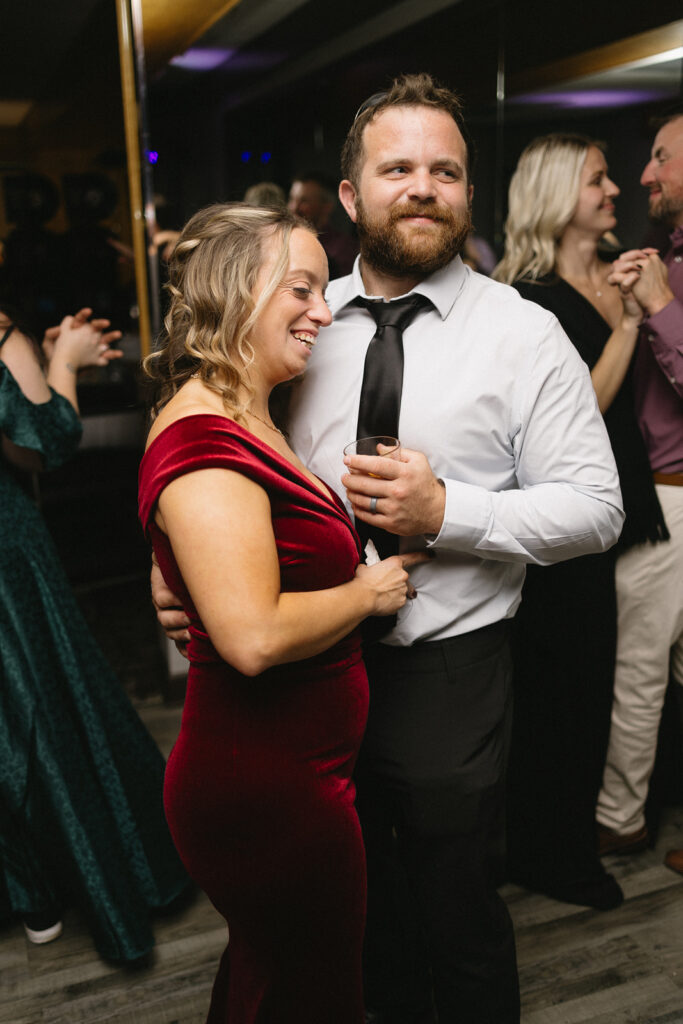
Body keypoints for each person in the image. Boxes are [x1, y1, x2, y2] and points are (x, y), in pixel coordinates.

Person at [154, 74, 624, 1024]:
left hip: (450, 669)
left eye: (444, 171)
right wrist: (190, 586)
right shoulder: (295, 320)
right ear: (350, 196)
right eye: (396, 167)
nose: (422, 187)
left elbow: (596, 510)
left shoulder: (525, 337)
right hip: (298, 679)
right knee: (352, 913)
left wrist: (448, 511)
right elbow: (220, 467)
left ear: (468, 193)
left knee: (457, 910)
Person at [139, 203, 426, 1023]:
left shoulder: (246, 413)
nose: (324, 311)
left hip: (294, 778)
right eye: (301, 288)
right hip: (263, 790)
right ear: (235, 291)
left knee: (277, 983)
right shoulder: (207, 437)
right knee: (310, 992)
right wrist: (369, 592)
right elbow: (255, 638)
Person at [494, 134, 668, 911]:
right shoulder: (528, 295)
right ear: (558, 193)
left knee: (615, 675)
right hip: (561, 512)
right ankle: (549, 850)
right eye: (596, 179)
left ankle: (588, 830)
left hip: (629, 503)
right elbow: (580, 413)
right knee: (559, 687)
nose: (612, 190)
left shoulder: (616, 270)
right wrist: (631, 324)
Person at [0, 306, 189, 960]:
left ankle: (30, 896)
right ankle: (71, 887)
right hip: (6, 562)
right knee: (42, 712)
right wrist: (63, 362)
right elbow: (42, 442)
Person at [595, 109, 683, 873]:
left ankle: (617, 821)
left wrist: (658, 307)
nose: (645, 174)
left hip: (673, 496)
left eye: (659, 158)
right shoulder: (667, 257)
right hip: (655, 492)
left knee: (640, 668)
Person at [288, 171, 358, 276]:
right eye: (292, 199)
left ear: (326, 207)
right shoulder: (284, 243)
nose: (294, 208)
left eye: (304, 201)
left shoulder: (343, 251)